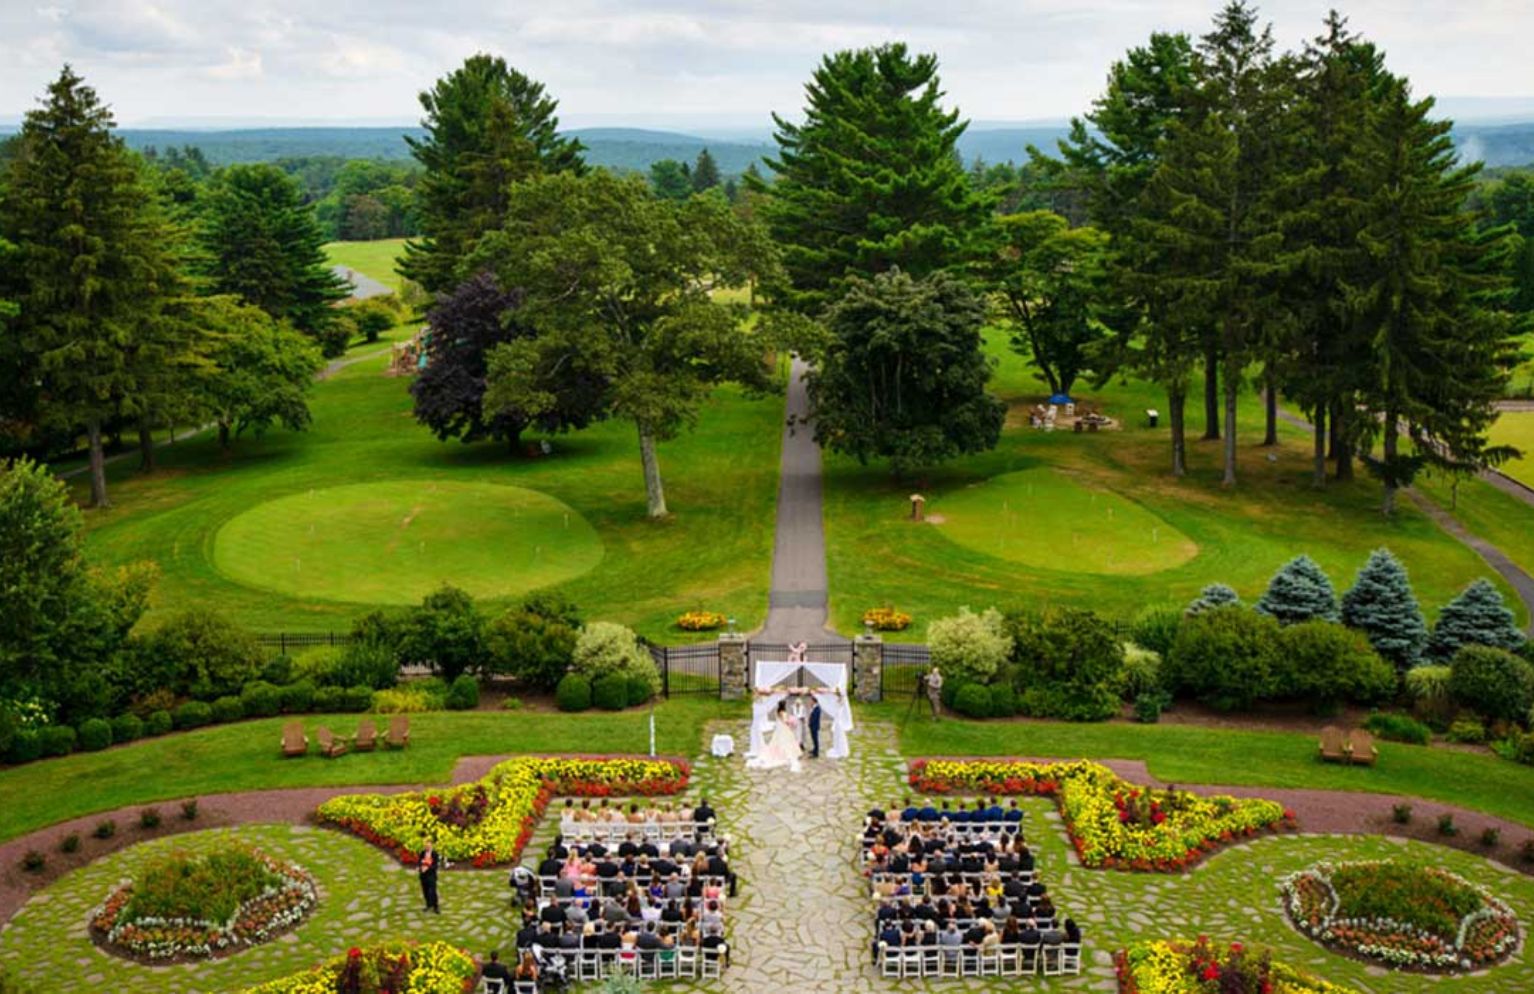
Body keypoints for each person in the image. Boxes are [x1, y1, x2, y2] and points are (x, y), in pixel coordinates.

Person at [745, 700, 803, 773]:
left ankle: (781, 752)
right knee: (787, 740)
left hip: (779, 728)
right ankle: (786, 753)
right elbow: (785, 721)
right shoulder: (783, 713)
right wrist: (790, 722)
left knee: (779, 740)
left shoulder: (778, 711)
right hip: (784, 728)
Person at [418, 840, 441, 913]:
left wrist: (428, 868)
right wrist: (420, 867)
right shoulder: (422, 853)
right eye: (426, 846)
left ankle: (435, 906)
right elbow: (419, 861)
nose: (427, 847)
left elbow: (436, 866)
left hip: (431, 875)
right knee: (425, 891)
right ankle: (428, 905)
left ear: (431, 846)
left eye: (428, 846)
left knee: (432, 891)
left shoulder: (435, 854)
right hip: (423, 875)